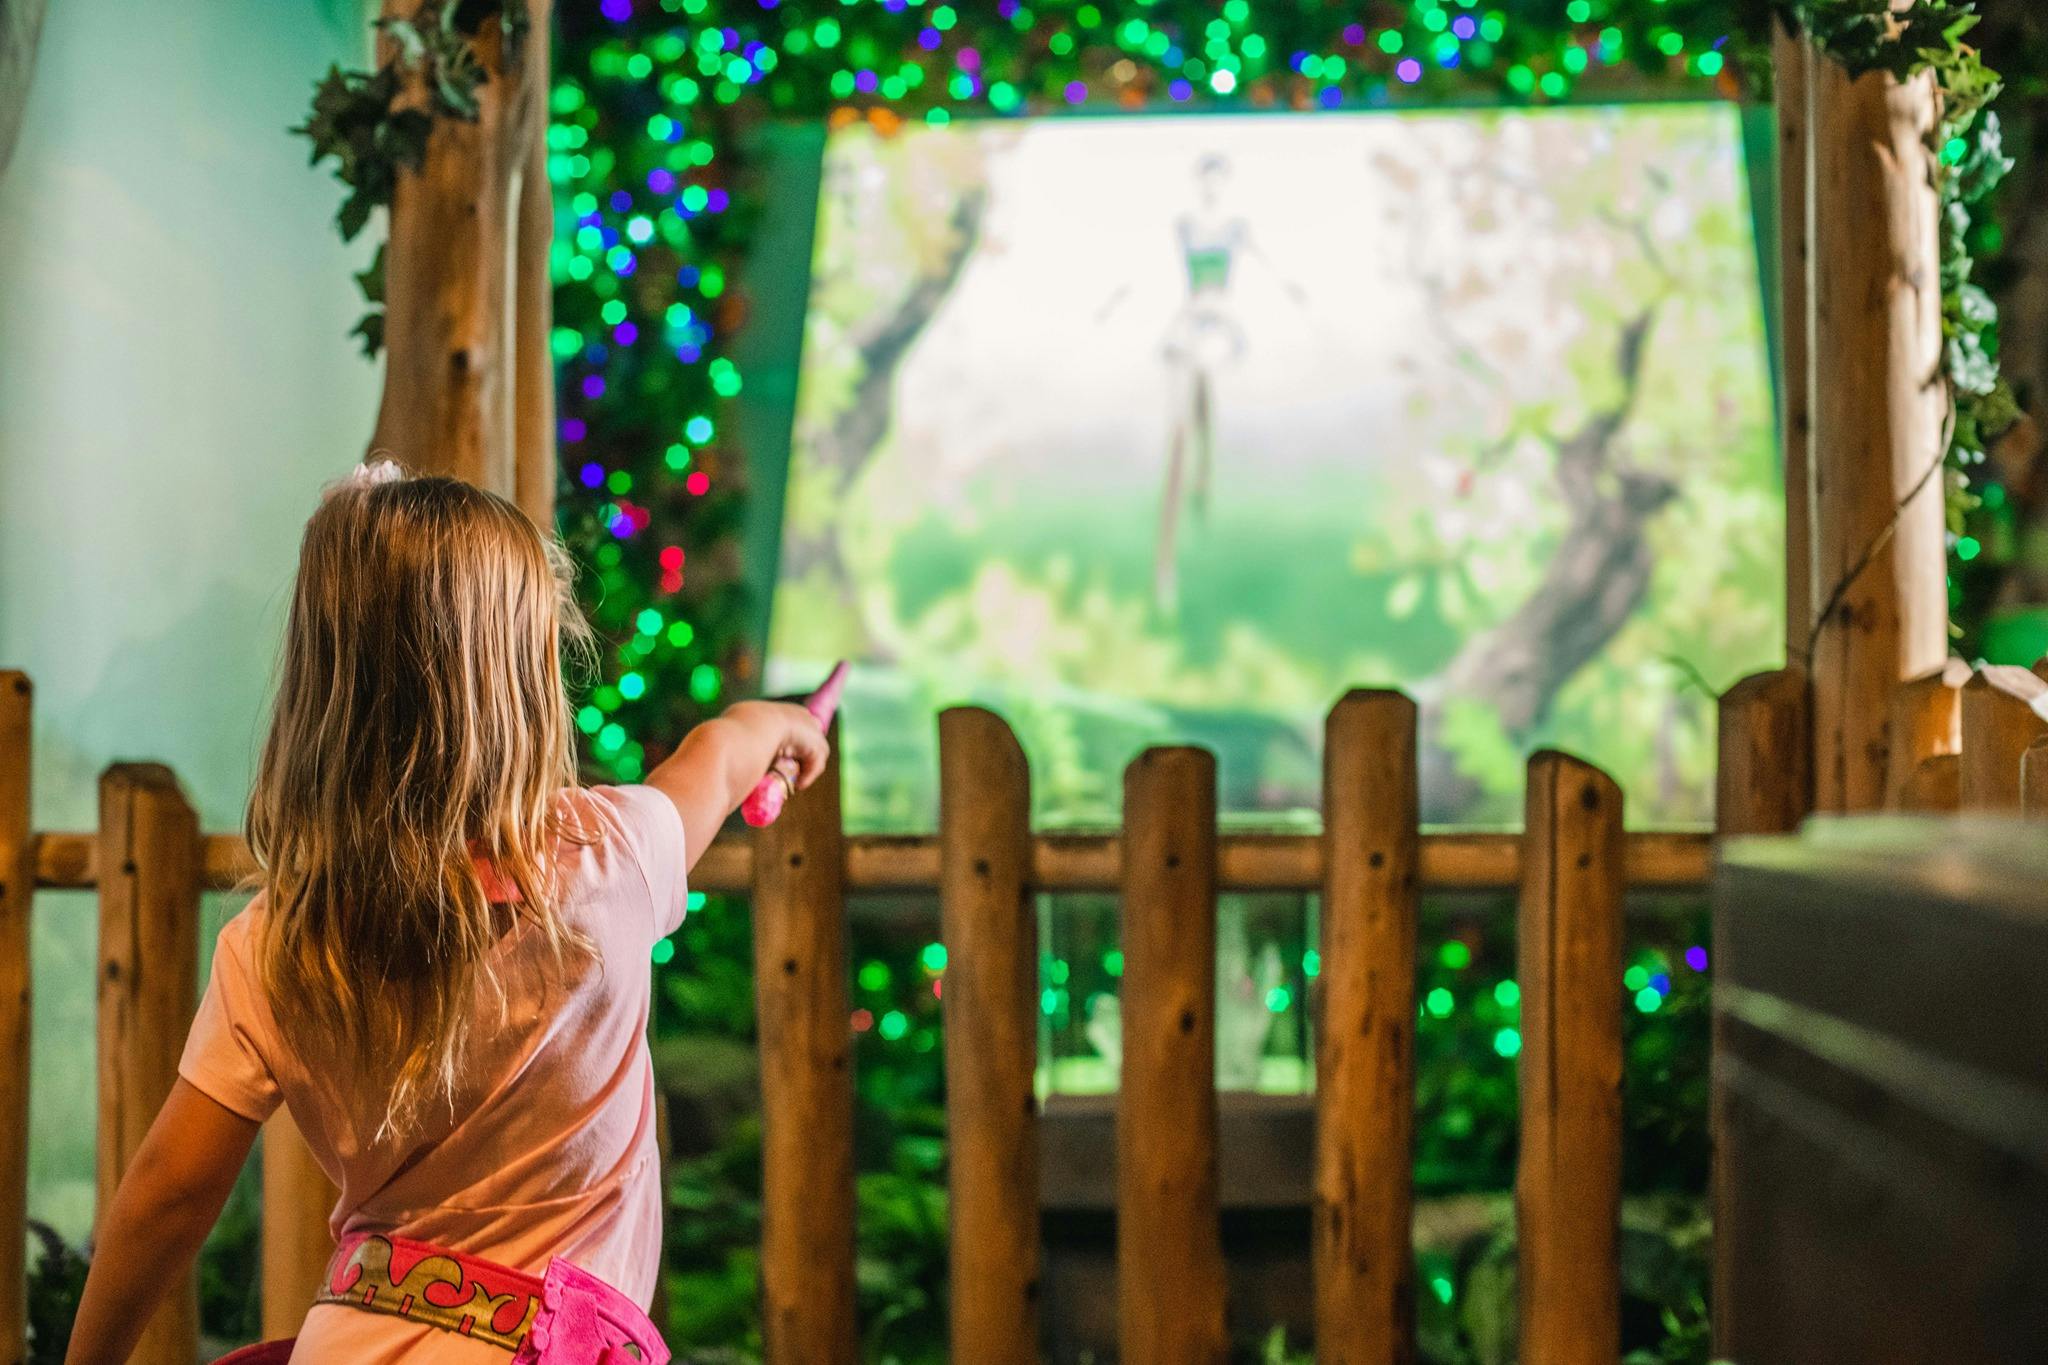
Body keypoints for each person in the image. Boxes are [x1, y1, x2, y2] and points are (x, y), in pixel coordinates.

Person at [62, 463, 829, 1364]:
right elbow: (718, 758)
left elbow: (167, 1196)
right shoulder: (606, 860)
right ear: (523, 678)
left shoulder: (275, 943)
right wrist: (779, 722)